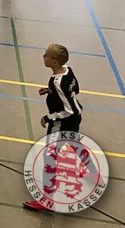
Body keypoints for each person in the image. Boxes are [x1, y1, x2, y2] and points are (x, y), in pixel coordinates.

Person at [22, 44, 83, 213]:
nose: (43, 57)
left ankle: (48, 201)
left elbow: (68, 111)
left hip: (62, 123)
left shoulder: (58, 82)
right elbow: (74, 91)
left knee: (49, 159)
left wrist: (48, 118)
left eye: (46, 56)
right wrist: (51, 91)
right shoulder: (68, 71)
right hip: (76, 119)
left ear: (54, 61)